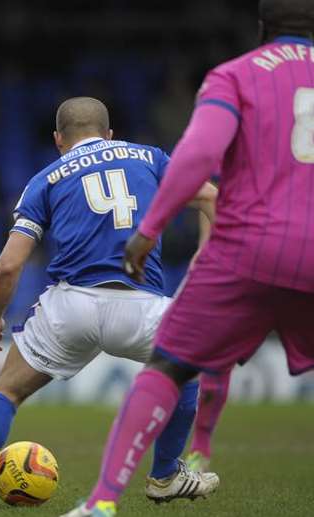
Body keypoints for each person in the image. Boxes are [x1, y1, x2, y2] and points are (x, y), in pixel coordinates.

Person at [63, 1, 314, 515]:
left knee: (168, 367)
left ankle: (103, 502)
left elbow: (200, 158)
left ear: (263, 28)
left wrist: (149, 229)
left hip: (249, 247)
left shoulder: (234, 76)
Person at [0, 97, 219, 512]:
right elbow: (212, 198)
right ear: (110, 133)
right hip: (142, 306)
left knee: (6, 391)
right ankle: (166, 475)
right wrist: (203, 258)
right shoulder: (151, 158)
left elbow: (8, 266)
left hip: (72, 308)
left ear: (58, 140)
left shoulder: (45, 178)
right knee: (189, 372)